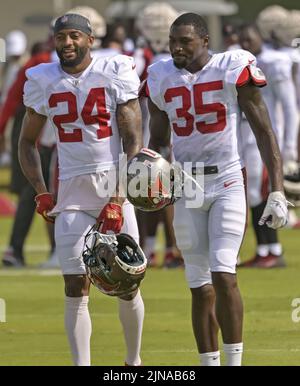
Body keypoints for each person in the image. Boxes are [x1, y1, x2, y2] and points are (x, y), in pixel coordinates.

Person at [146, 12, 289, 366]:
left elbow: (264, 131)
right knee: (199, 286)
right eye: (173, 41)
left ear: (206, 42)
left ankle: (234, 362)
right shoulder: (160, 76)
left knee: (225, 274)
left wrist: (277, 189)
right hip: (186, 185)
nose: (177, 48)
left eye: (185, 41)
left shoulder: (232, 66)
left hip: (225, 179)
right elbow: (158, 141)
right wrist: (144, 174)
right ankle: (208, 364)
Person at [18, 13, 144, 366]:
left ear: (90, 40)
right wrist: (41, 190)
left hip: (111, 185)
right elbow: (26, 142)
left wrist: (119, 197)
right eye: (61, 37)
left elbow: (133, 142)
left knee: (127, 283)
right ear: (54, 41)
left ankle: (133, 361)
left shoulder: (113, 71)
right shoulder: (43, 79)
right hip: (71, 191)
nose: (67, 43)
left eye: (75, 36)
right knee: (74, 286)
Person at [238, 24, 299, 267]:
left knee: (256, 193)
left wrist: (289, 146)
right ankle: (266, 250)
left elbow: (290, 108)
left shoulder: (273, 62)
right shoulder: (239, 61)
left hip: (261, 136)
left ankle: (271, 249)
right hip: (245, 134)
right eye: (241, 39)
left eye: (248, 38)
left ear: (260, 37)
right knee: (252, 194)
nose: (244, 43)